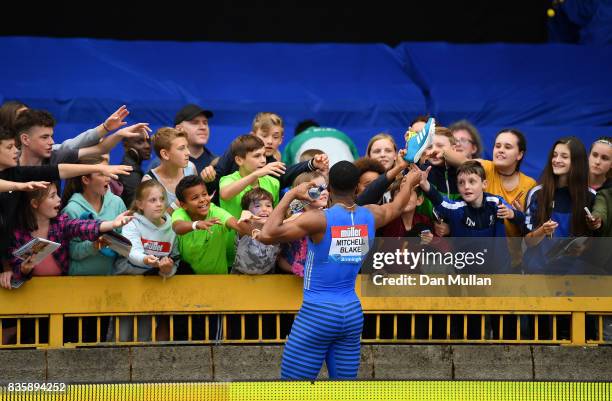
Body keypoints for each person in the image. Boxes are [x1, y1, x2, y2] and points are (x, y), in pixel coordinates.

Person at [257, 160, 422, 380]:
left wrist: (291, 195)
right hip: (352, 313)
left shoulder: (319, 220)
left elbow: (268, 234)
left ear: (329, 188)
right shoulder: (371, 215)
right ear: (356, 188)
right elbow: (398, 206)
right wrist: (409, 181)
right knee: (343, 390)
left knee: (292, 389)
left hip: (317, 313)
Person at [0, 126, 132, 289]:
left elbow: (83, 226)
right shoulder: (20, 232)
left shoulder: (60, 223)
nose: (16, 151)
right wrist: (20, 186)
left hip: (67, 291)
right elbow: (17, 268)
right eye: (9, 147)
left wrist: (111, 225)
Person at [441, 128, 537, 267]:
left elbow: (529, 231)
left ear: (520, 154)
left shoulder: (529, 184)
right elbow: (448, 155)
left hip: (511, 263)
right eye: (497, 146)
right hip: (477, 259)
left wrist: (518, 216)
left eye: (507, 147)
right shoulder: (485, 167)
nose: (500, 150)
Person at [113, 180, 177, 342]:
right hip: (126, 285)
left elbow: (175, 259)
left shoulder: (173, 227)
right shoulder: (131, 222)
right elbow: (131, 251)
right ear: (140, 204)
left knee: (144, 336)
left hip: (150, 287)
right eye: (152, 200)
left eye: (162, 199)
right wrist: (146, 260)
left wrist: (166, 270)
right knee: (121, 336)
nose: (159, 204)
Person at [524, 137, 596, 273]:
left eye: (564, 156)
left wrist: (583, 248)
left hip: (574, 276)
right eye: (554, 155)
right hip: (537, 274)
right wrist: (542, 231)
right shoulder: (537, 193)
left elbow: (596, 240)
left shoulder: (591, 196)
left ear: (577, 162)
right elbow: (528, 241)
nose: (556, 160)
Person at [61, 156, 128, 276]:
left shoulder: (117, 202)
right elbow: (72, 252)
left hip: (111, 281)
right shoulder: (71, 210)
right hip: (79, 283)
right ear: (86, 180)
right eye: (102, 174)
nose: (108, 179)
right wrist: (96, 244)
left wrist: (119, 243)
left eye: (108, 172)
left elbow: (127, 242)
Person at [219, 135, 281, 265]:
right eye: (257, 156)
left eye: (264, 155)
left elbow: (274, 217)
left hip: (263, 256)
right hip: (231, 256)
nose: (263, 160)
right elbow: (225, 194)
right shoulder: (228, 180)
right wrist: (255, 174)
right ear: (239, 160)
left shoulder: (273, 183)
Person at [172, 175, 249, 275]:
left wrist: (246, 222)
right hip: (188, 277)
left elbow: (237, 225)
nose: (202, 199)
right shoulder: (180, 213)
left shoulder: (217, 212)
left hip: (218, 278)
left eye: (204, 194)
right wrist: (197, 224)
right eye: (195, 197)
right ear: (183, 205)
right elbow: (177, 227)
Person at [15, 108, 148, 166]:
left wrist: (116, 132)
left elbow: (100, 149)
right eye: (44, 137)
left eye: (51, 136)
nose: (51, 142)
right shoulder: (8, 166)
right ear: (25, 139)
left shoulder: (55, 156)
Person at [277, 171, 329, 277]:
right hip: (290, 280)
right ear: (302, 193)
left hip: (321, 278)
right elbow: (279, 257)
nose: (324, 192)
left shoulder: (329, 215)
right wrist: (296, 269)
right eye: (317, 189)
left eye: (324, 188)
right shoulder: (294, 218)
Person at [142, 128, 197, 211]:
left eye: (187, 147)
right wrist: (176, 205)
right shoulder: (149, 181)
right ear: (165, 154)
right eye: (181, 148)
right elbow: (151, 221)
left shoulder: (191, 167)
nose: (188, 152)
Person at [231, 188, 280, 275]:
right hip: (240, 276)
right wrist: (245, 216)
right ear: (247, 210)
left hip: (268, 276)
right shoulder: (244, 228)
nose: (264, 209)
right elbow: (241, 223)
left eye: (268, 205)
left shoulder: (276, 228)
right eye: (257, 206)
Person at [119, 132, 152, 207]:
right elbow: (135, 205)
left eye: (149, 141)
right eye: (139, 142)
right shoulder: (129, 171)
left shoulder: (133, 167)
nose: (147, 146)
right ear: (126, 145)